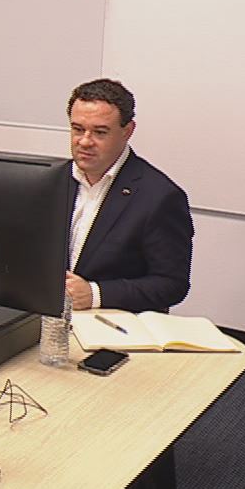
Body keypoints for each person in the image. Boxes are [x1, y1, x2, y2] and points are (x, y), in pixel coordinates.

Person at [64, 78, 193, 313]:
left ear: (127, 132)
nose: (85, 141)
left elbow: (172, 284)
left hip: (111, 321)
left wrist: (95, 294)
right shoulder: (54, 180)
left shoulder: (159, 197)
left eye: (99, 132)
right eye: (78, 129)